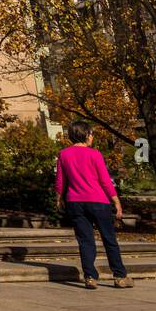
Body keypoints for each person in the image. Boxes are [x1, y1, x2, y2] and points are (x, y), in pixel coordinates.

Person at [56, 120, 131, 289]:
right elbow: (105, 181)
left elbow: (60, 180)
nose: (92, 137)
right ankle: (119, 276)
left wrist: (59, 198)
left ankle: (90, 276)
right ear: (86, 134)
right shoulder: (94, 154)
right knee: (109, 239)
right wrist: (116, 201)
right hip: (98, 201)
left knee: (85, 241)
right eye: (91, 134)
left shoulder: (64, 154)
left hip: (75, 202)